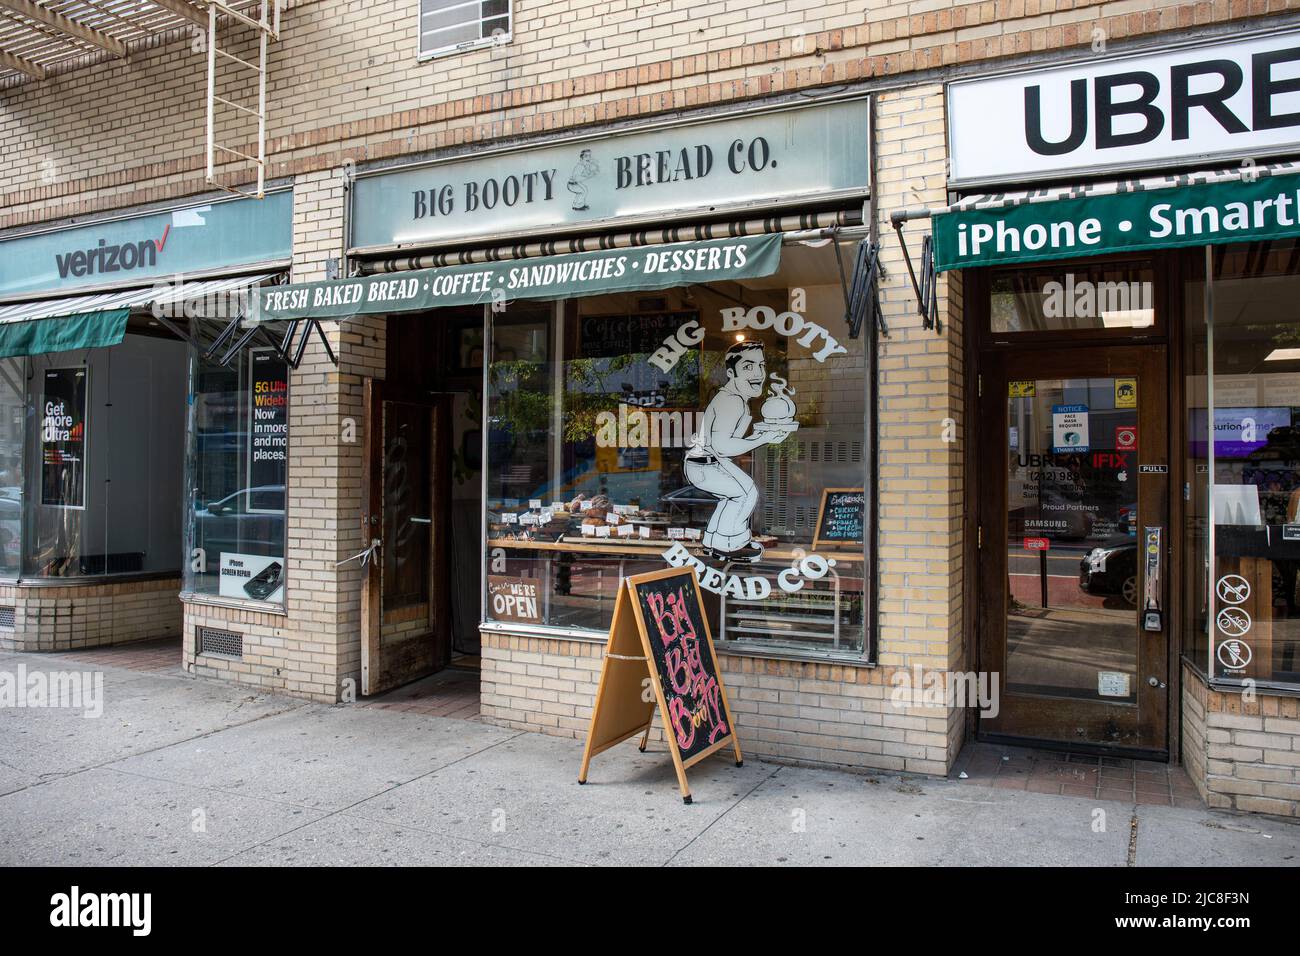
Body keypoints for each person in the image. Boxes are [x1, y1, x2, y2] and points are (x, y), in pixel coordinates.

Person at [684, 340, 796, 562]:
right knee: (744, 495)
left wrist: (760, 437)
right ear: (730, 373)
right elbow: (722, 446)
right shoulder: (732, 401)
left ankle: (713, 541)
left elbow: (725, 444)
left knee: (737, 495)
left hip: (708, 462)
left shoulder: (735, 399)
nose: (758, 373)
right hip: (705, 464)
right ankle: (729, 545)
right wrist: (763, 438)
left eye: (761, 365)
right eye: (747, 366)